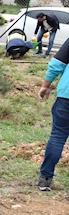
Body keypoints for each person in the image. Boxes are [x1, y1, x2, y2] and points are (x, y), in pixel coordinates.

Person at [36, 39, 69, 191]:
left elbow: (56, 65)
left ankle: (45, 178)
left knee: (58, 136)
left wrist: (45, 86)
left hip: (66, 98)